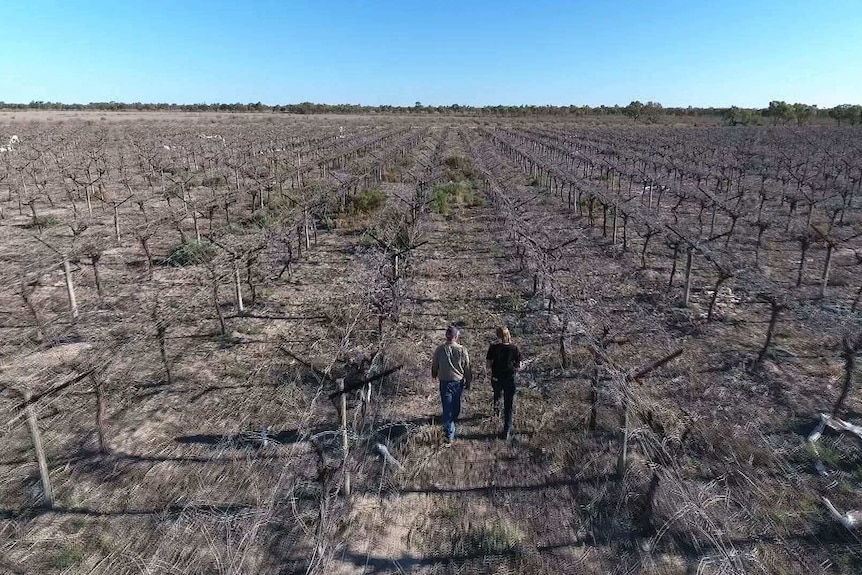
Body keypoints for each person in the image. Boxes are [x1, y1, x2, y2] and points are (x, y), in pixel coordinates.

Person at [431, 325, 472, 446]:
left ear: (446, 336)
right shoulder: (462, 350)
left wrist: (434, 373)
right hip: (457, 382)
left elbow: (434, 364)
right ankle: (449, 434)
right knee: (452, 406)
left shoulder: (439, 349)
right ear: (456, 337)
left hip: (445, 382)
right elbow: (467, 367)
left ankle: (449, 423)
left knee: (449, 407)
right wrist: (469, 381)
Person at [486, 326, 522, 440]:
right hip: (509, 378)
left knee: (497, 394)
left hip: (496, 377)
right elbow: (519, 365)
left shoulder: (493, 347)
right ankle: (507, 430)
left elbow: (488, 364)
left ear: (497, 335)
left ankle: (496, 412)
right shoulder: (514, 348)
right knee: (509, 405)